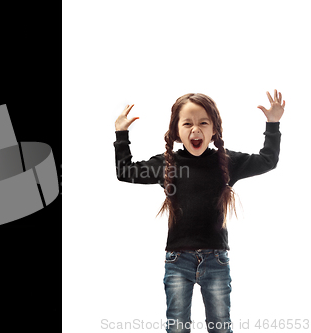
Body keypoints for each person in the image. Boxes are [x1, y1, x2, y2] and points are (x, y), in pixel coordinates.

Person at [114, 90, 284, 333]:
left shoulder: (226, 162)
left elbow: (268, 160)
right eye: (187, 123)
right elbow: (125, 172)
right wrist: (122, 134)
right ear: (176, 131)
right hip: (177, 260)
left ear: (214, 129)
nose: (195, 130)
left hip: (216, 260)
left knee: (220, 327)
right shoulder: (166, 164)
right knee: (177, 328)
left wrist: (273, 123)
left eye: (203, 123)